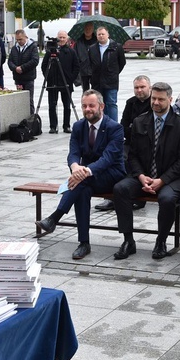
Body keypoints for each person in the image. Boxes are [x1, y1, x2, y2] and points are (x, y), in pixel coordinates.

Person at [35, 90, 127, 260]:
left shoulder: (115, 128)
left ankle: (55, 218)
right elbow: (73, 153)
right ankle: (84, 243)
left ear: (101, 106)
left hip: (112, 174)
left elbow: (108, 158)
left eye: (91, 105)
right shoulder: (79, 126)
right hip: (86, 177)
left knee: (81, 182)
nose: (87, 109)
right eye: (84, 106)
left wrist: (84, 171)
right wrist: (76, 166)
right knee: (82, 189)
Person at [112, 82, 180, 260]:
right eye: (154, 98)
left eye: (161, 99)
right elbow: (132, 155)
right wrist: (141, 177)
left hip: (173, 177)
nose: (156, 102)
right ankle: (128, 240)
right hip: (144, 175)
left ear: (170, 100)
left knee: (166, 198)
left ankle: (161, 240)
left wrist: (161, 181)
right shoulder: (140, 121)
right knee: (120, 189)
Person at [94, 75, 150, 212]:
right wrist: (135, 128)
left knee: (133, 161)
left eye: (142, 87)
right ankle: (112, 196)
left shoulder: (154, 103)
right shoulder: (131, 103)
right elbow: (123, 127)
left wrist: (134, 128)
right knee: (116, 157)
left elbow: (150, 130)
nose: (139, 90)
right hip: (130, 142)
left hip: (149, 145)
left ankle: (135, 197)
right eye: (136, 87)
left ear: (150, 87)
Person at [42, 30, 79, 134]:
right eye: (60, 37)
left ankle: (66, 126)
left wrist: (71, 78)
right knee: (52, 105)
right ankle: (53, 126)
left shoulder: (71, 52)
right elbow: (44, 65)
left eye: (64, 37)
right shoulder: (50, 52)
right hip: (53, 82)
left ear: (67, 39)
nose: (62, 40)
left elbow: (76, 67)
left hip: (66, 82)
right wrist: (48, 77)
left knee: (67, 106)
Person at [89, 26, 126, 121]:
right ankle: (101, 124)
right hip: (97, 82)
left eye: (103, 34)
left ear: (108, 35)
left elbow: (122, 63)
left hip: (111, 81)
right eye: (99, 34)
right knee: (98, 104)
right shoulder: (92, 48)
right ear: (96, 36)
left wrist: (113, 73)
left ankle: (113, 126)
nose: (101, 36)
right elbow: (90, 64)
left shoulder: (116, 47)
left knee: (111, 103)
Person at [7, 29, 39, 117]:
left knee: (29, 100)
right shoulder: (14, 48)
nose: (19, 41)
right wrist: (15, 68)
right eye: (17, 39)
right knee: (20, 100)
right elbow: (10, 62)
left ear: (25, 37)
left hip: (28, 78)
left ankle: (31, 120)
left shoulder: (32, 47)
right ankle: (21, 119)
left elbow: (35, 60)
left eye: (20, 39)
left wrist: (22, 68)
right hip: (18, 78)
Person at [74, 22, 96, 91]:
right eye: (86, 28)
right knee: (85, 91)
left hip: (94, 69)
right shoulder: (79, 42)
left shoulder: (97, 41)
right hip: (83, 70)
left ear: (93, 30)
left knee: (95, 90)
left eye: (89, 28)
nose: (87, 30)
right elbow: (75, 56)